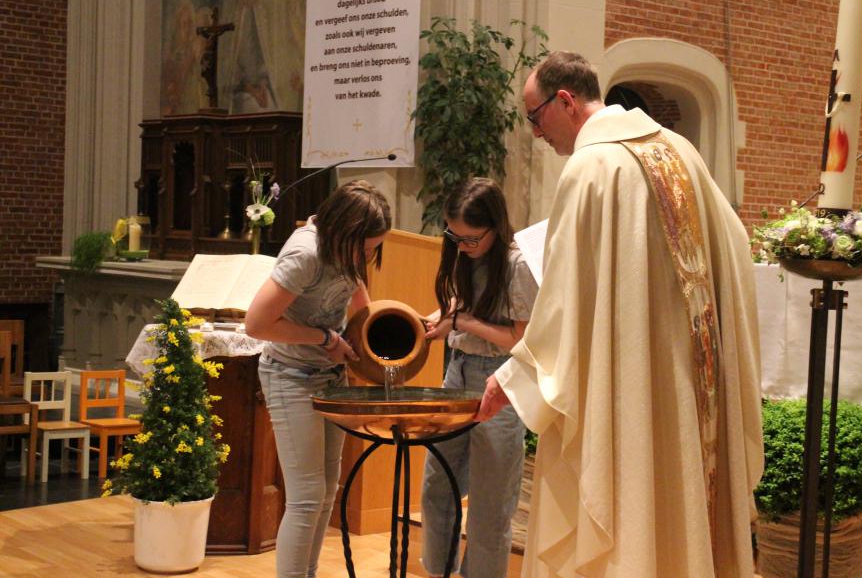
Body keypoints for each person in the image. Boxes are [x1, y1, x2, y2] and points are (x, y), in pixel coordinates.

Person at [475, 51, 764, 577]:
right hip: (693, 386)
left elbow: (563, 302)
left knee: (633, 503)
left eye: (535, 117)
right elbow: (737, 244)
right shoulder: (680, 150)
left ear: (565, 101)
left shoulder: (592, 169)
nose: (537, 134)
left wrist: (515, 374)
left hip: (630, 386)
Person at [245, 180, 391, 578]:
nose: (368, 257)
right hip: (291, 375)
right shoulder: (304, 254)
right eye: (365, 249)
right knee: (308, 496)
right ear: (344, 232)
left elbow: (359, 302)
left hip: (331, 377)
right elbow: (256, 324)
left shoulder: (347, 249)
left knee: (326, 491)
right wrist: (326, 338)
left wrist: (378, 337)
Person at [419, 178, 538, 578]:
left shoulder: (519, 265)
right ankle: (438, 572)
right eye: (455, 236)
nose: (462, 246)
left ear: (495, 227)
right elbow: (463, 303)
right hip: (458, 372)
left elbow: (520, 339)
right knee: (438, 487)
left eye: (471, 239)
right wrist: (442, 318)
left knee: (490, 506)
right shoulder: (463, 254)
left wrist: (462, 321)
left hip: (500, 382)